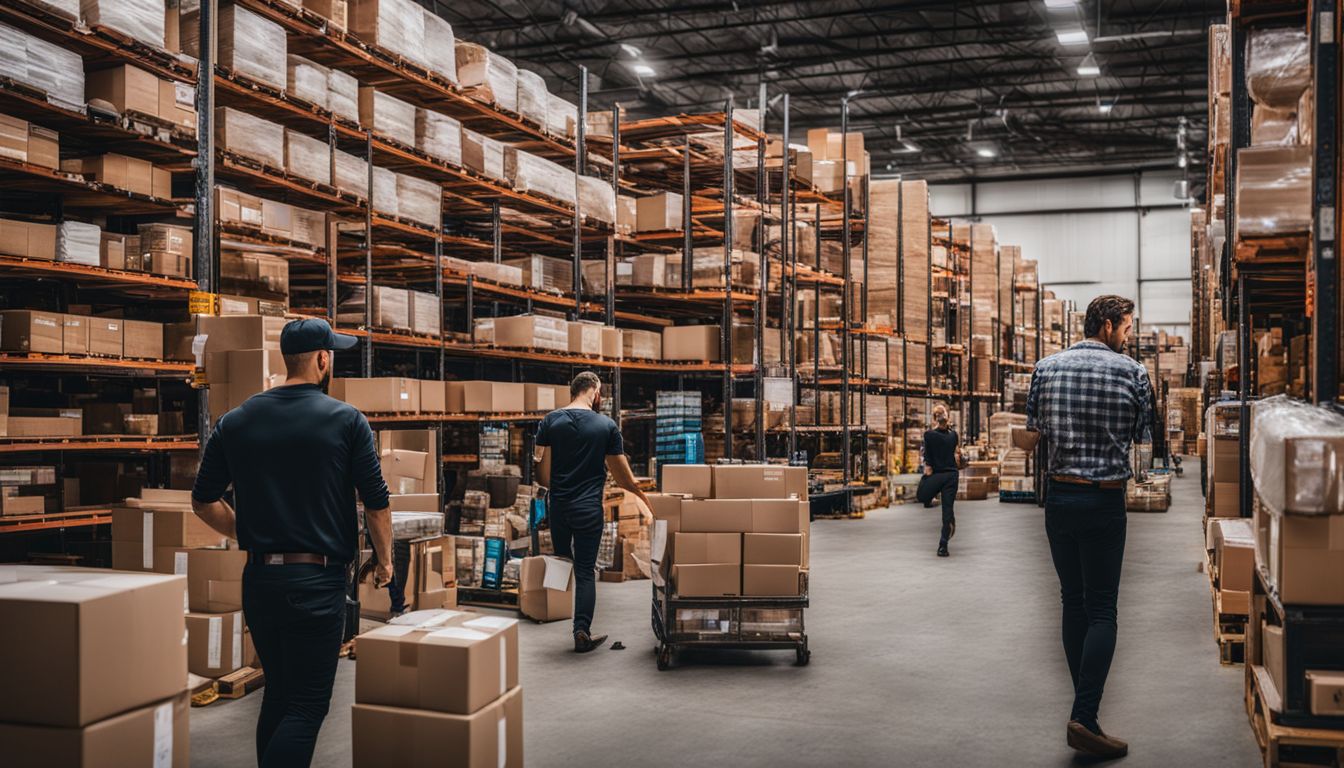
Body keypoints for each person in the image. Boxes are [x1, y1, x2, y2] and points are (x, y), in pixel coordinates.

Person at [191, 318, 393, 768]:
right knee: (306, 705)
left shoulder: (236, 421)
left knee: (279, 694)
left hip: (260, 581)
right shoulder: (346, 420)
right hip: (316, 584)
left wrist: (247, 532)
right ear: (323, 359)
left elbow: (203, 501)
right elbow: (376, 504)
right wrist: (386, 563)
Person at [1021, 295, 1152, 760]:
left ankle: (1085, 713)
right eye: (1128, 327)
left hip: (1058, 499)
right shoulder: (1133, 372)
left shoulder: (1045, 368)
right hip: (1103, 501)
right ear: (1111, 325)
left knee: (1071, 602)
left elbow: (1032, 432)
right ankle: (1084, 715)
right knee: (1102, 610)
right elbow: (1144, 442)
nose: (1130, 336)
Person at [535, 371, 650, 653]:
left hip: (559, 507)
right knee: (585, 571)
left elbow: (542, 474)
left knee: (563, 561)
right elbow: (624, 478)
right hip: (588, 510)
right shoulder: (606, 426)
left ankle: (550, 607)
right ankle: (581, 631)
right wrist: (643, 497)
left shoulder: (550, 422)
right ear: (595, 392)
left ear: (573, 391)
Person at [917, 404, 961, 557]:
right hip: (951, 476)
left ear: (934, 418)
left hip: (937, 476)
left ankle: (929, 501)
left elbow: (928, 464)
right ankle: (943, 545)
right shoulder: (954, 435)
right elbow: (958, 456)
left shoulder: (929, 435)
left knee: (921, 495)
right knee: (947, 510)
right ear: (947, 417)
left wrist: (927, 483)